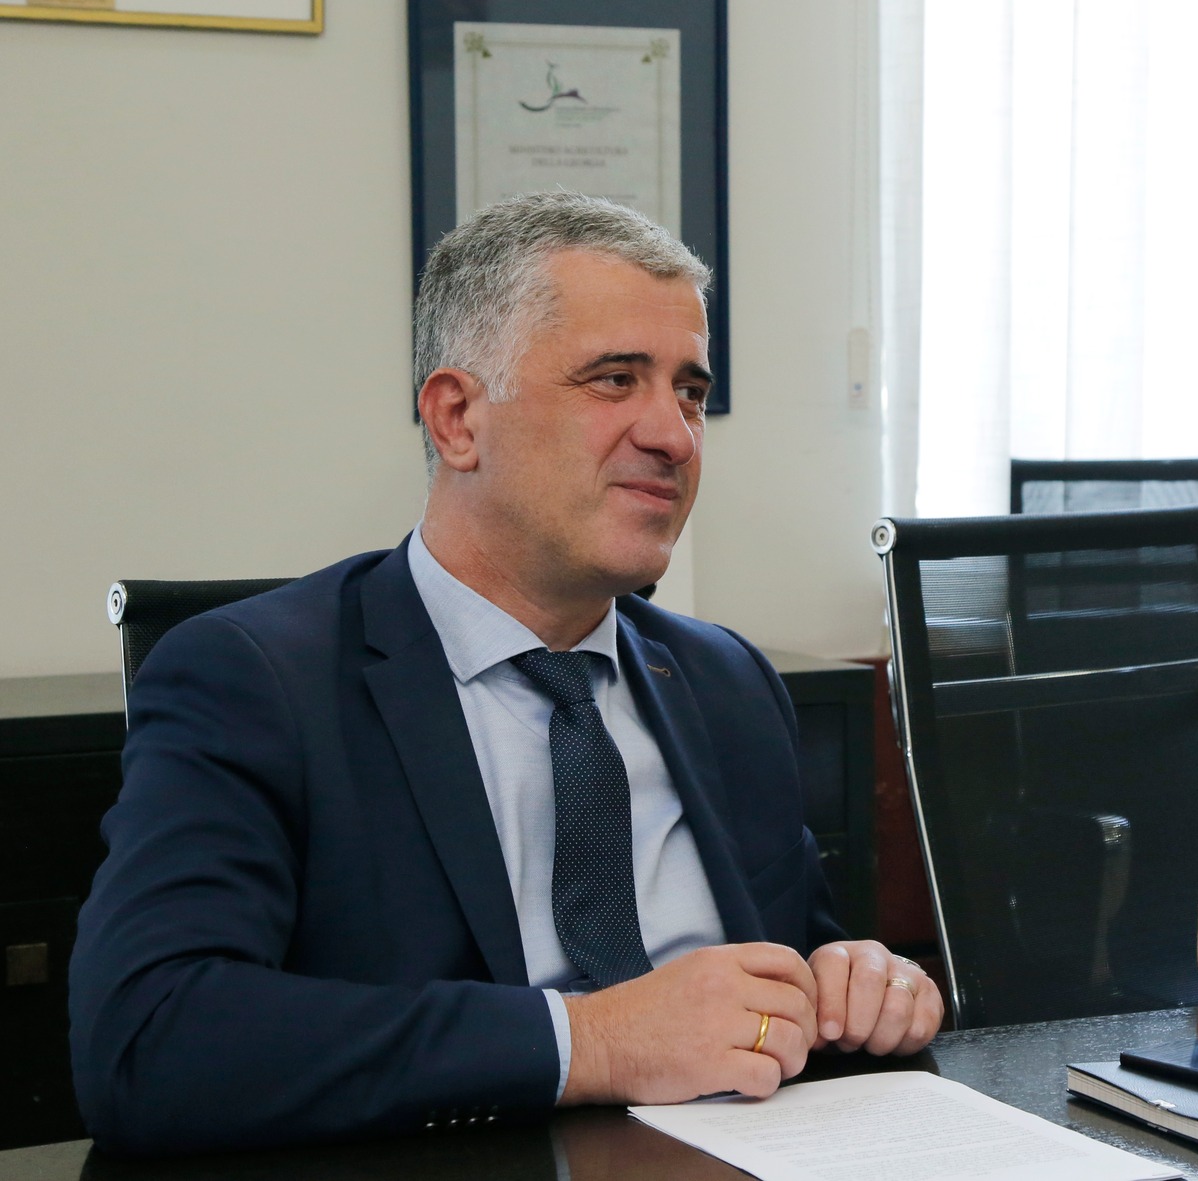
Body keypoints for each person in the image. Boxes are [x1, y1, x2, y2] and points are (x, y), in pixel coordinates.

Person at [70, 191, 944, 1154]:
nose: (675, 435)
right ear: (457, 418)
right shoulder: (256, 679)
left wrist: (859, 983)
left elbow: (795, 970)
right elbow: (148, 1041)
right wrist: (596, 1040)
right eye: (615, 380)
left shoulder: (727, 680)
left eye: (690, 392)